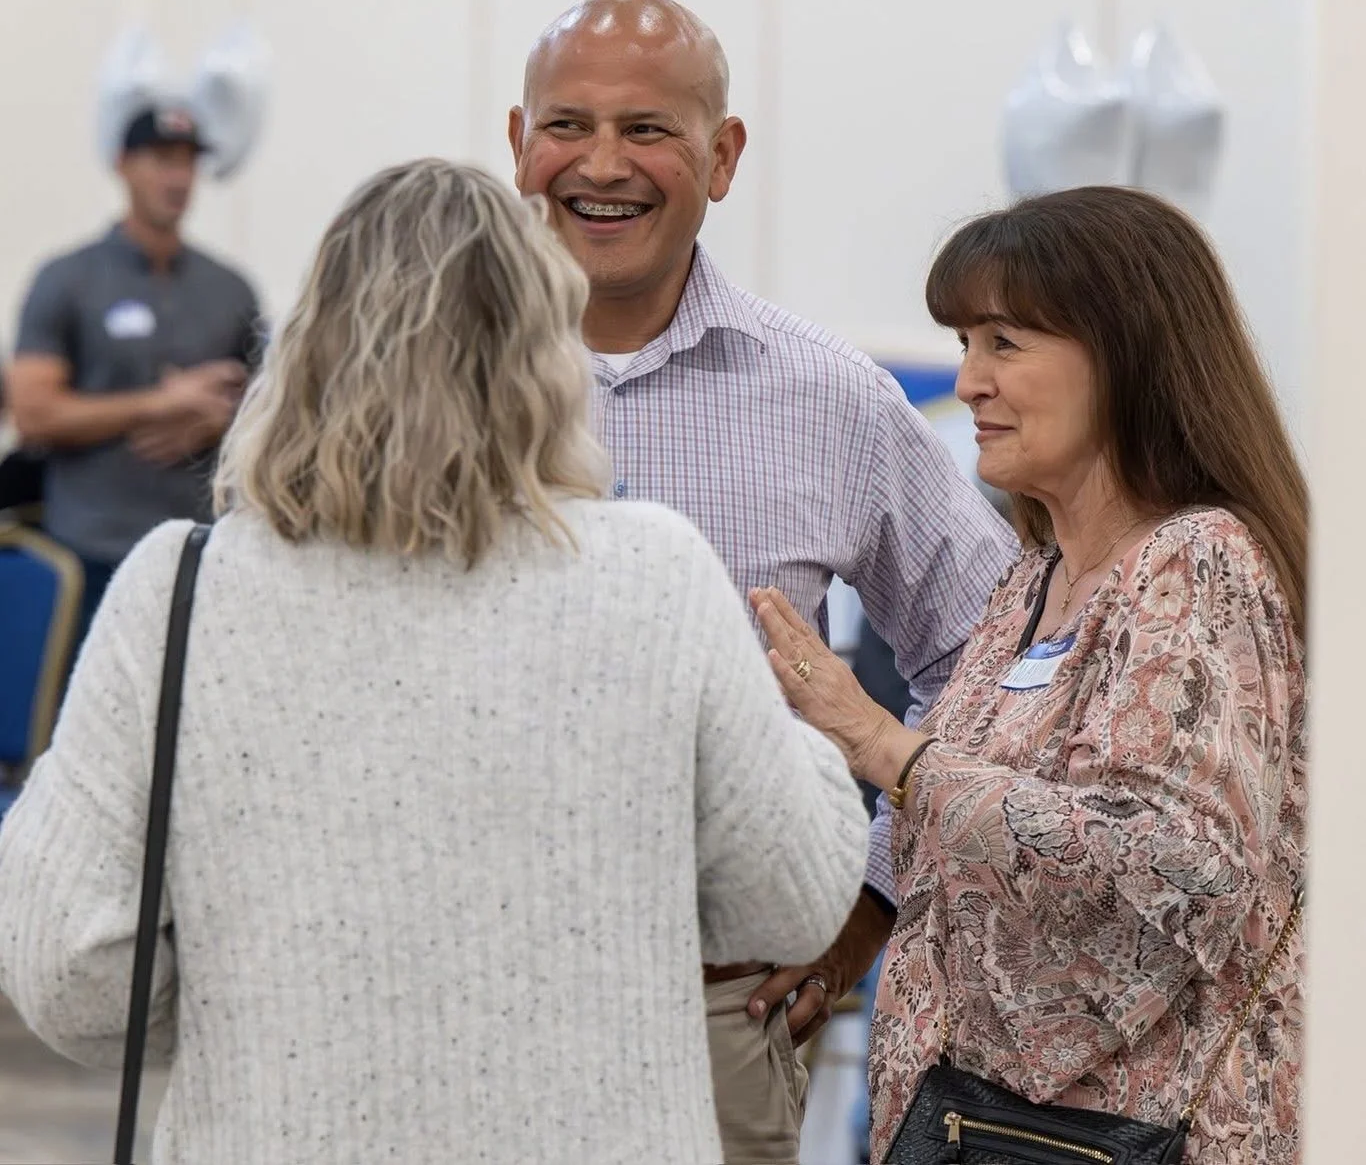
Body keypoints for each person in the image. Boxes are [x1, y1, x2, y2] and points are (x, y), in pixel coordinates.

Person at [0, 159, 871, 1165]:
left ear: (305, 350)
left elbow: (72, 970)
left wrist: (264, 988)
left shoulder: (179, 590)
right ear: (547, 358)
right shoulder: (654, 575)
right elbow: (790, 902)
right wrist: (806, 739)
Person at [509, 0, 1016, 1162]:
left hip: (719, 1008)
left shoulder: (829, 400)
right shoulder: (419, 392)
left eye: (647, 130)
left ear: (722, 155)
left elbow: (993, 656)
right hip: (451, 987)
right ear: (516, 144)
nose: (600, 165)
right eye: (566, 125)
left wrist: (868, 902)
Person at [753, 185, 1307, 1164]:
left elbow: (1173, 862)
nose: (967, 381)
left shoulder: (1197, 564)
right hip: (974, 1124)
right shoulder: (1034, 579)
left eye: (1002, 343)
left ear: (1124, 354)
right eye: (966, 343)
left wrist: (890, 749)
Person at [3, 105, 260, 644]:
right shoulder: (67, 279)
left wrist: (217, 418)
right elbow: (32, 412)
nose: (178, 178)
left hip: (202, 555)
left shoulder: (229, 288)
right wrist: (158, 404)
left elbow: (271, 412)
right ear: (123, 165)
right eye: (162, 160)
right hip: (92, 556)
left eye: (188, 163)